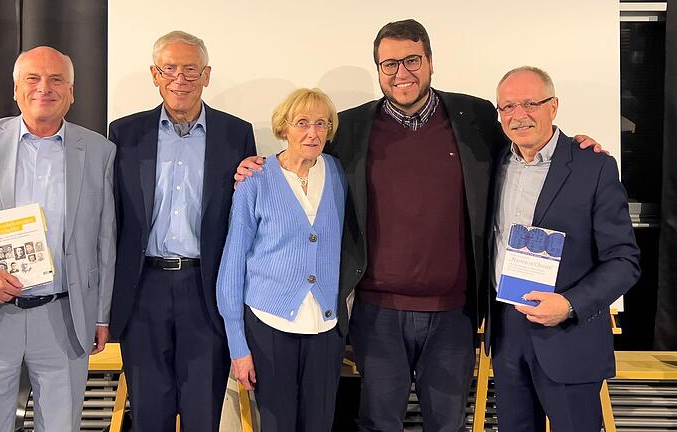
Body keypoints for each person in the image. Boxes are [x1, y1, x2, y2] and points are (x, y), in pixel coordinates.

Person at [236, 19, 603, 432]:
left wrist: (573, 146)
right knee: (378, 422)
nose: (401, 72)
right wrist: (260, 165)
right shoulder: (351, 127)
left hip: (454, 314)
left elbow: (529, 144)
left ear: (430, 62)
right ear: (378, 70)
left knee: (447, 424)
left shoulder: (476, 117)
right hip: (377, 315)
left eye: (411, 60)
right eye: (388, 64)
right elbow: (304, 160)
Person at [0, 46, 116, 432]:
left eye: (57, 79)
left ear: (72, 92)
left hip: (64, 318)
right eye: (32, 78)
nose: (44, 87)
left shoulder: (99, 150)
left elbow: (104, 240)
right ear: (15, 89)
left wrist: (100, 314)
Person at [108, 31, 256, 431]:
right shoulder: (124, 133)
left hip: (206, 289)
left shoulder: (236, 133)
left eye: (190, 68)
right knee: (149, 414)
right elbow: (112, 218)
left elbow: (246, 212)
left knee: (202, 413)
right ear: (155, 75)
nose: (180, 78)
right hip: (142, 290)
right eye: (169, 68)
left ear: (206, 75)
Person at [489, 66, 640, 431]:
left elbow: (624, 261)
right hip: (508, 334)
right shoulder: (494, 163)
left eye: (530, 103)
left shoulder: (594, 167)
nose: (518, 115)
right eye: (507, 106)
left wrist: (569, 305)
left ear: (553, 106)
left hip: (569, 336)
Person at [218, 88, 347, 431]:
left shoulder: (336, 173)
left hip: (324, 327)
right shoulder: (255, 179)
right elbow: (232, 265)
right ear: (283, 128)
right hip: (268, 326)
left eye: (322, 123)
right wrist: (238, 347)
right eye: (302, 122)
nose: (312, 132)